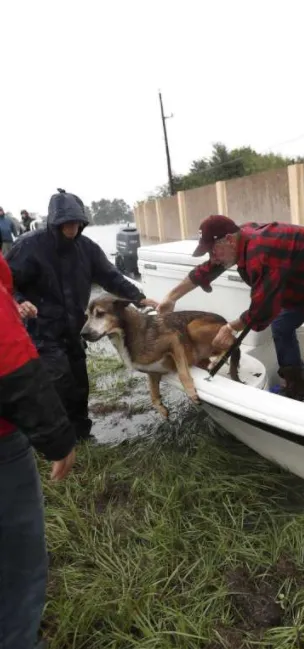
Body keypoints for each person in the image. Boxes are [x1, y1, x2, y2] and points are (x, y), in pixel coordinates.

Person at [157, 215, 304, 418]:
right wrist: (171, 297)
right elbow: (206, 270)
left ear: (229, 240)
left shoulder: (261, 252)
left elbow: (263, 308)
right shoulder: (239, 240)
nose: (213, 258)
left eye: (213, 251)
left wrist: (231, 327)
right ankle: (297, 385)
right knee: (281, 326)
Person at [6, 188, 158, 441]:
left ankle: (82, 435)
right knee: (58, 380)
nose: (72, 229)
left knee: (79, 384)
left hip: (75, 328)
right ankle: (58, 441)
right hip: (42, 330)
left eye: (77, 224)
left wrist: (139, 298)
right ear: (54, 223)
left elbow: (110, 277)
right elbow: (6, 284)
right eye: (66, 224)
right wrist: (19, 302)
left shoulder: (87, 249)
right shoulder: (28, 247)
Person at [0, 250, 77, 649]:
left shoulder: (83, 250)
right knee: (18, 560)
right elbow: (9, 361)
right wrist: (58, 438)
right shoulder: (31, 250)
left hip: (59, 332)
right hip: (2, 441)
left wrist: (13, 303)